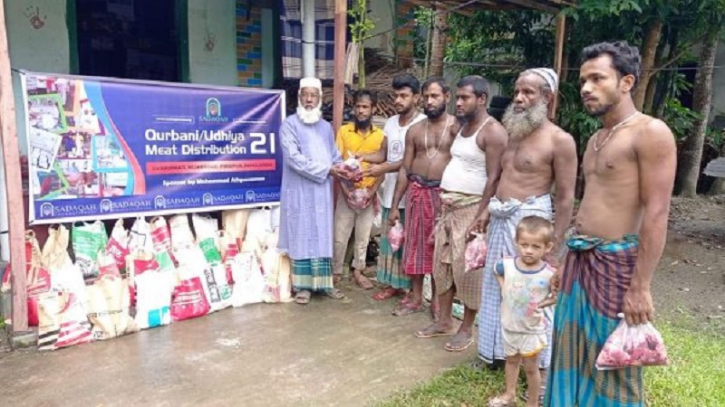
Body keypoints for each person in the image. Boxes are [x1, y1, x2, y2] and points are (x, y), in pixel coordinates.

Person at [545, 41, 676, 407]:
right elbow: (591, 204)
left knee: (614, 365)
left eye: (598, 78)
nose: (586, 87)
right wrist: (564, 257)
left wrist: (641, 286)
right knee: (571, 352)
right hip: (579, 259)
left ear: (626, 81)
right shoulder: (597, 139)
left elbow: (656, 212)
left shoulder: (650, 133)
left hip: (616, 265)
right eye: (584, 80)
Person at [475, 68, 577, 392]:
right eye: (518, 91)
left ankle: (539, 363)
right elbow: (498, 178)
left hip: (533, 228)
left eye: (528, 92)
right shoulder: (511, 132)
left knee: (533, 295)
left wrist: (555, 249)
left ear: (547, 97)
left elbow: (564, 197)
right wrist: (485, 215)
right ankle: (495, 352)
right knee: (499, 287)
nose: (519, 98)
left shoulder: (560, 140)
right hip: (502, 221)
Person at [415, 75, 507, 352]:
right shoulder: (462, 127)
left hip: (472, 209)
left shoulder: (493, 132)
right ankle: (444, 321)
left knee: (467, 270)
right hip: (449, 208)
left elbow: (494, 177)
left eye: (465, 97)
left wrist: (483, 215)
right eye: (458, 97)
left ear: (482, 99)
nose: (459, 102)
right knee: (442, 266)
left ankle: (466, 328)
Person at [387, 76, 459, 320]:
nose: (430, 101)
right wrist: (396, 205)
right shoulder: (415, 131)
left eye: (435, 96)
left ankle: (438, 302)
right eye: (427, 96)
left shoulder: (457, 129)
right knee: (415, 248)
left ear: (446, 97)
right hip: (417, 193)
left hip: (444, 197)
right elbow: (405, 169)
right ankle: (416, 298)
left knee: (439, 250)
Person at [278, 77, 352, 305]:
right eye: (305, 95)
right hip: (299, 191)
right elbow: (293, 159)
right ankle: (303, 287)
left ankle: (324, 284)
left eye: (314, 96)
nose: (309, 100)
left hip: (321, 192)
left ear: (320, 99)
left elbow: (333, 155)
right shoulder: (289, 125)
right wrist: (328, 170)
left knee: (321, 233)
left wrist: (345, 168)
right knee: (301, 233)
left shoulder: (326, 127)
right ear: (299, 97)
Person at [360, 74, 426, 302]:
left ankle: (409, 289)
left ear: (416, 98)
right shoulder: (390, 122)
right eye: (396, 95)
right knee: (391, 240)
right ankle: (393, 285)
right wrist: (362, 158)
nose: (398, 100)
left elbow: (412, 160)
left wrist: (383, 168)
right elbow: (383, 154)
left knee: (408, 242)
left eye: (404, 96)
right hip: (390, 191)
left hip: (412, 193)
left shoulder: (423, 124)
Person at [489, 216, 556, 407]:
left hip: (532, 331)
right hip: (509, 326)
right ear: (516, 242)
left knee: (531, 368)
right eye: (524, 244)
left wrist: (545, 303)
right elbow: (496, 270)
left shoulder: (549, 274)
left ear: (547, 247)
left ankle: (532, 403)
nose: (528, 250)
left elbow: (558, 295)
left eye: (536, 246)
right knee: (511, 361)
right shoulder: (507, 265)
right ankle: (509, 395)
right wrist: (503, 286)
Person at [333, 89, 385, 290]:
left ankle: (358, 271)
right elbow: (337, 163)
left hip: (369, 193)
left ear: (373, 109)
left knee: (363, 236)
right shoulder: (344, 131)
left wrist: (372, 193)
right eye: (358, 106)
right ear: (353, 108)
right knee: (340, 235)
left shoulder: (380, 136)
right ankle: (337, 270)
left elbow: (383, 166)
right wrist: (345, 192)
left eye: (365, 107)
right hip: (346, 191)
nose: (361, 111)